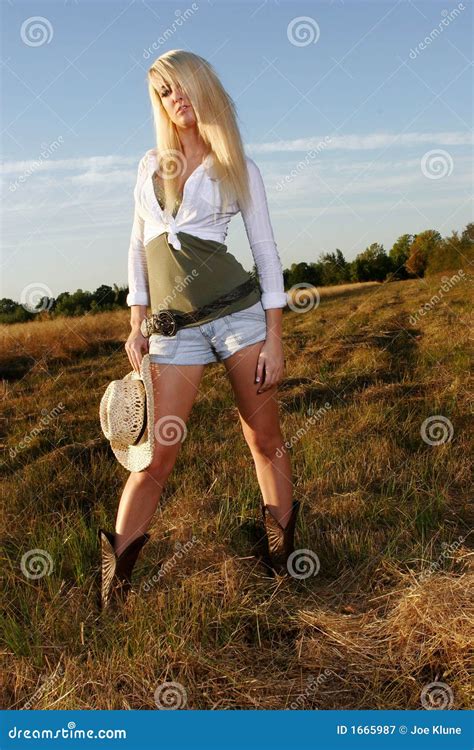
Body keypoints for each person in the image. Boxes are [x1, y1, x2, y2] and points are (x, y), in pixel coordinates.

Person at [99, 49, 300, 611]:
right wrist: (137, 322)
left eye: (182, 86)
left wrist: (275, 335)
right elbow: (138, 246)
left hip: (239, 319)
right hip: (172, 330)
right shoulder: (148, 165)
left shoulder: (237, 165)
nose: (175, 98)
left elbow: (265, 250)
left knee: (263, 440)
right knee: (154, 458)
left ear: (203, 87)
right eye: (164, 92)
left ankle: (282, 560)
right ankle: (115, 584)